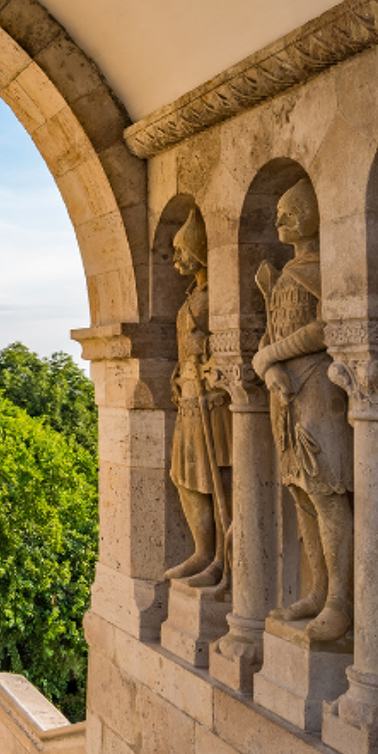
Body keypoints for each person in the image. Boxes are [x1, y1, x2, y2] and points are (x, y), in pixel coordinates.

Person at [253, 179, 355, 643]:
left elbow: (328, 326)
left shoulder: (321, 269)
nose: (281, 220)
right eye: (279, 212)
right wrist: (269, 367)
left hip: (319, 389)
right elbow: (268, 336)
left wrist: (271, 356)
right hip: (285, 397)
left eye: (292, 210)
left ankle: (341, 600)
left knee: (327, 491)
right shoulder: (283, 274)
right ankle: (318, 590)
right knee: (301, 493)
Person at [165, 209, 232, 593]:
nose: (175, 260)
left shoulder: (218, 294)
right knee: (185, 477)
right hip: (189, 396)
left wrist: (205, 347)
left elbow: (235, 341)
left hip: (213, 402)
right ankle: (202, 551)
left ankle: (222, 559)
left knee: (217, 480)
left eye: (181, 251)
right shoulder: (194, 294)